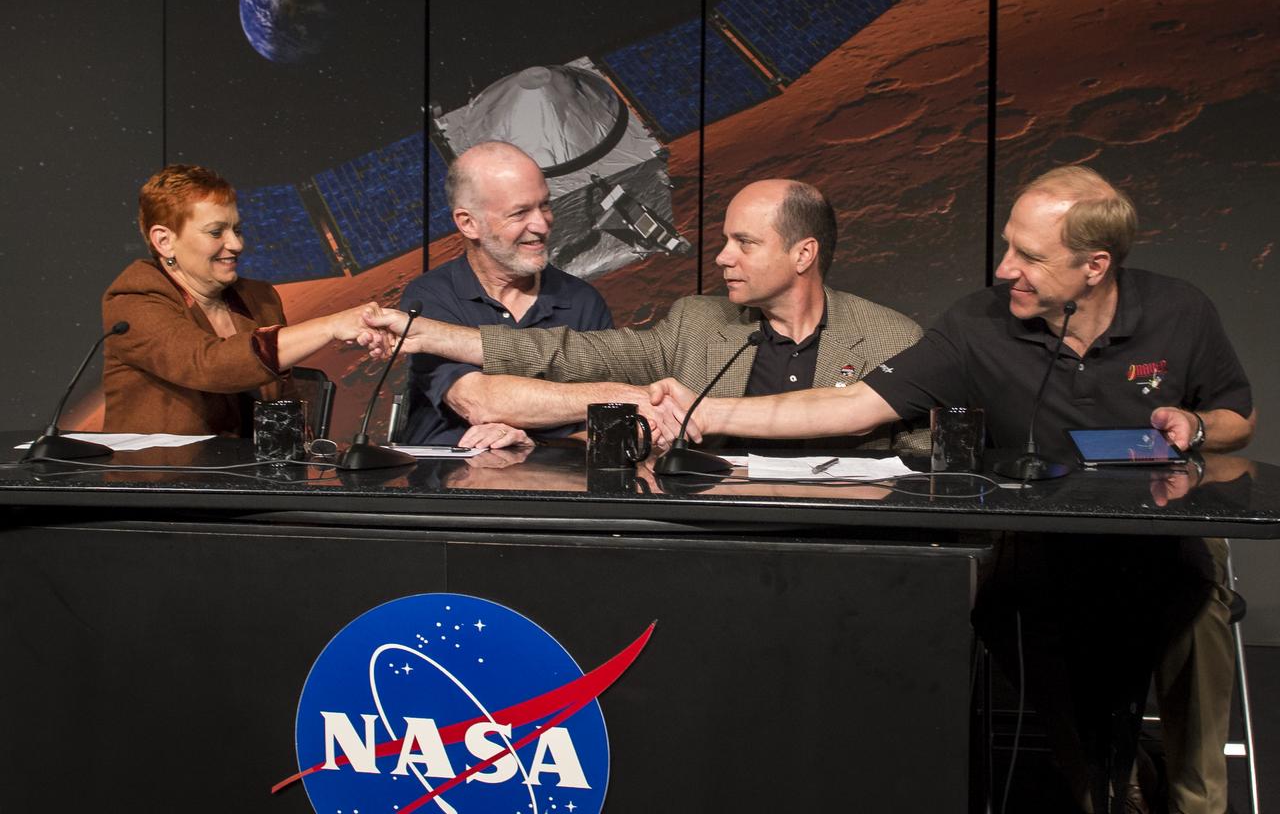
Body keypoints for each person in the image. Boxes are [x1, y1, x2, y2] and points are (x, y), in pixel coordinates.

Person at [649, 166, 1252, 813]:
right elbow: (854, 406)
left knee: (1196, 601)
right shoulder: (978, 325)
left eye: (1028, 255)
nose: (1004, 268)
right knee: (1027, 641)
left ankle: (1197, 799)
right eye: (1007, 245)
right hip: (1046, 555)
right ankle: (1113, 785)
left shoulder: (1180, 311)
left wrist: (1194, 425)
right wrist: (707, 415)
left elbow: (1235, 419)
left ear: (1094, 267)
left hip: (1163, 549)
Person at [363, 178, 929, 453]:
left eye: (744, 243)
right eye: (724, 240)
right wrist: (429, 333)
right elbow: (569, 353)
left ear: (803, 254)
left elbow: (930, 460)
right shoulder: (696, 325)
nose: (723, 257)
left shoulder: (888, 338)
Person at [102, 164, 378, 436]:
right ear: (164, 241)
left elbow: (285, 403)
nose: (236, 244)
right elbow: (209, 365)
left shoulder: (259, 299)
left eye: (237, 230)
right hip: (164, 478)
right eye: (216, 232)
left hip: (249, 476)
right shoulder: (134, 300)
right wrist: (329, 326)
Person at [399, 141, 618, 448]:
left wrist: (537, 446)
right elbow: (477, 402)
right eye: (519, 213)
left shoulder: (582, 301)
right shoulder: (431, 296)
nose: (541, 225)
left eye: (545, 205)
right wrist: (604, 395)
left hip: (558, 482)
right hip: (449, 483)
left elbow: (612, 422)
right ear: (468, 223)